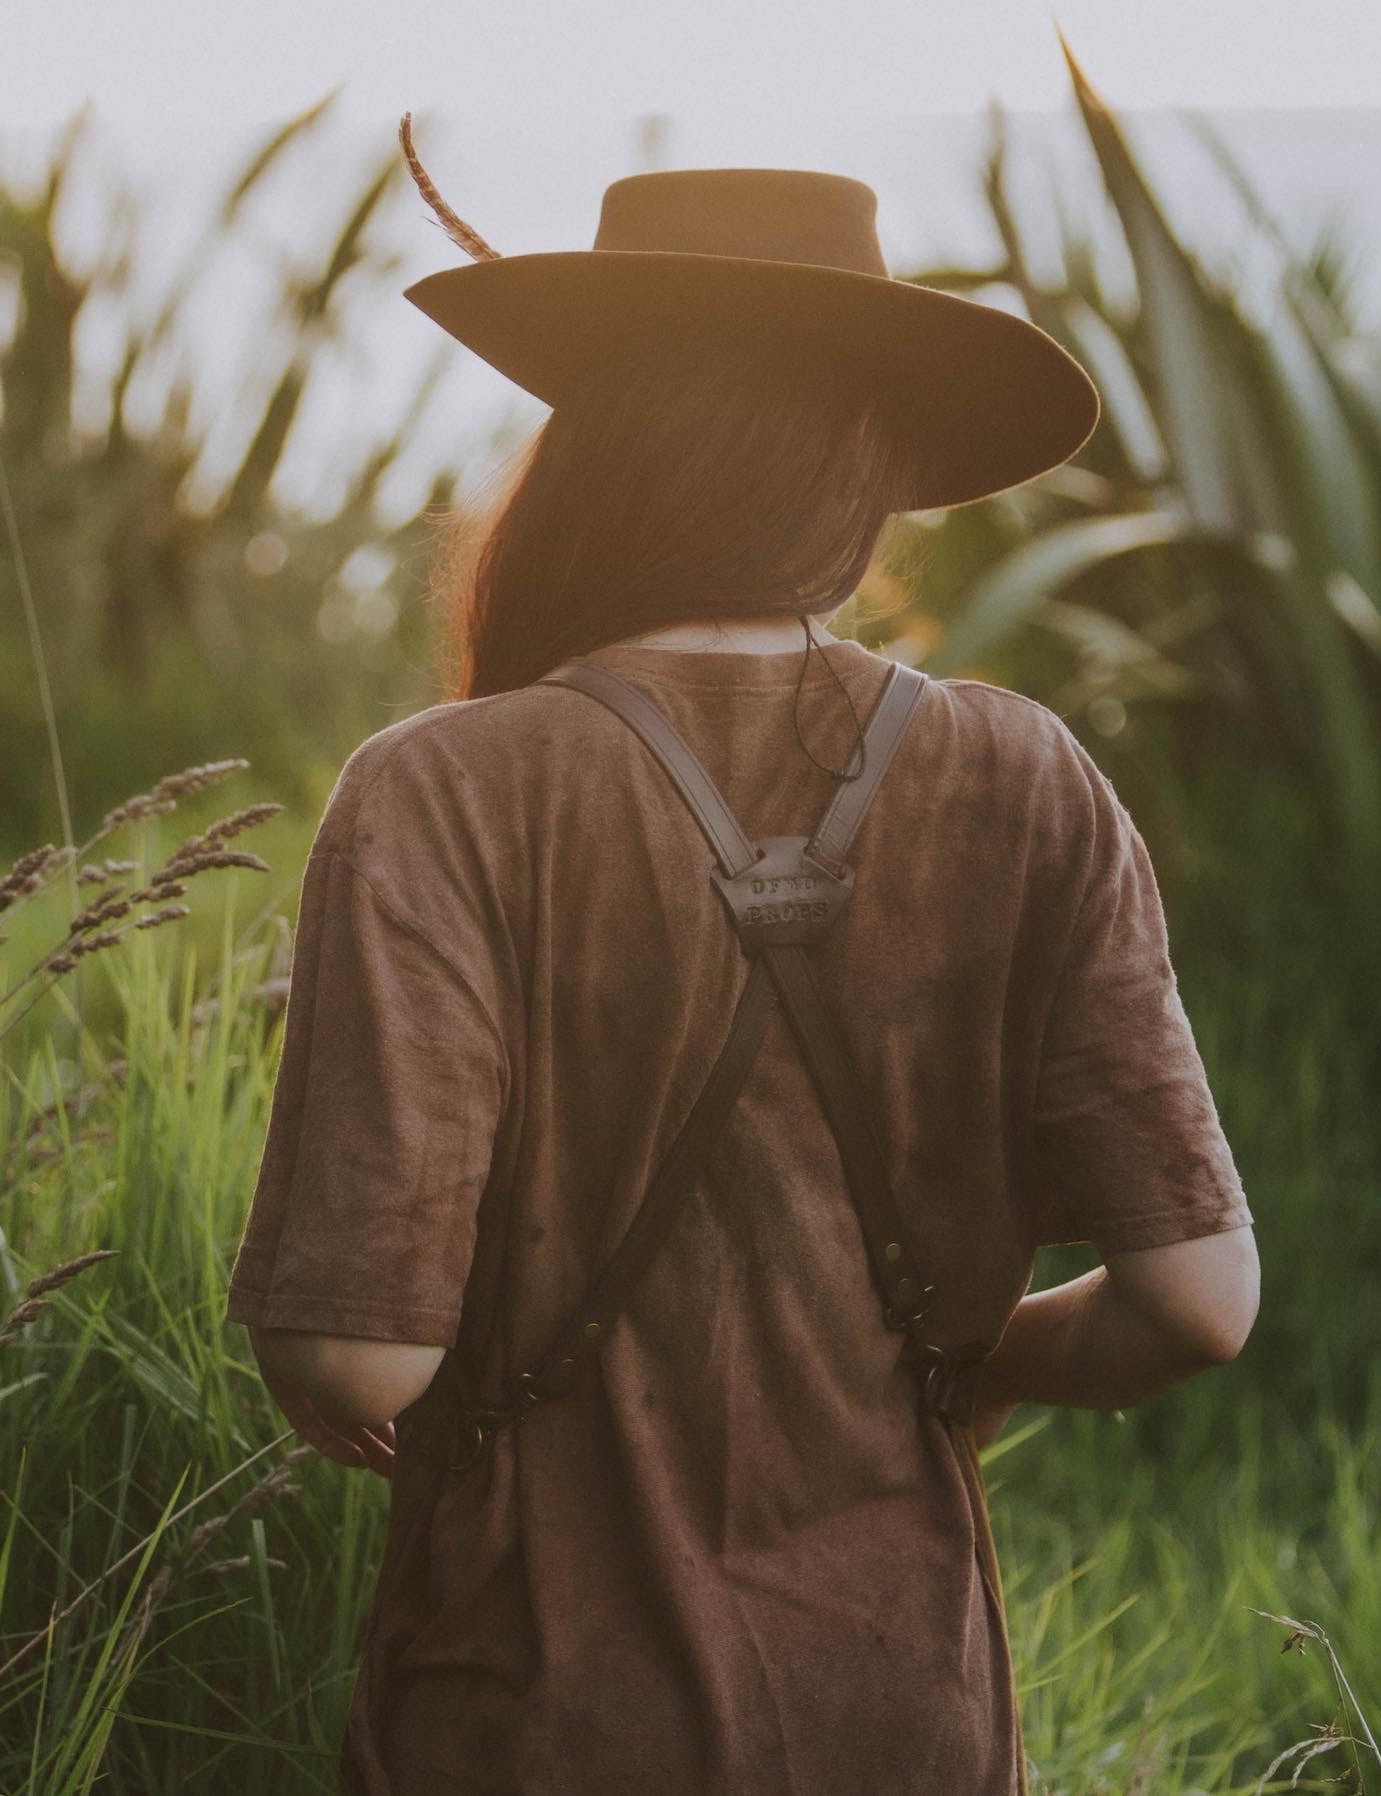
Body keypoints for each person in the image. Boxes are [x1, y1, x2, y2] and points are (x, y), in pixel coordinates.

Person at [224, 140, 1260, 1796]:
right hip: (899, 1713)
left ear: (596, 449)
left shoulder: (445, 788)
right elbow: (1199, 1306)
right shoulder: (1027, 775)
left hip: (533, 1714)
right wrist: (953, 1353)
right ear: (867, 464)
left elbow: (357, 1363)